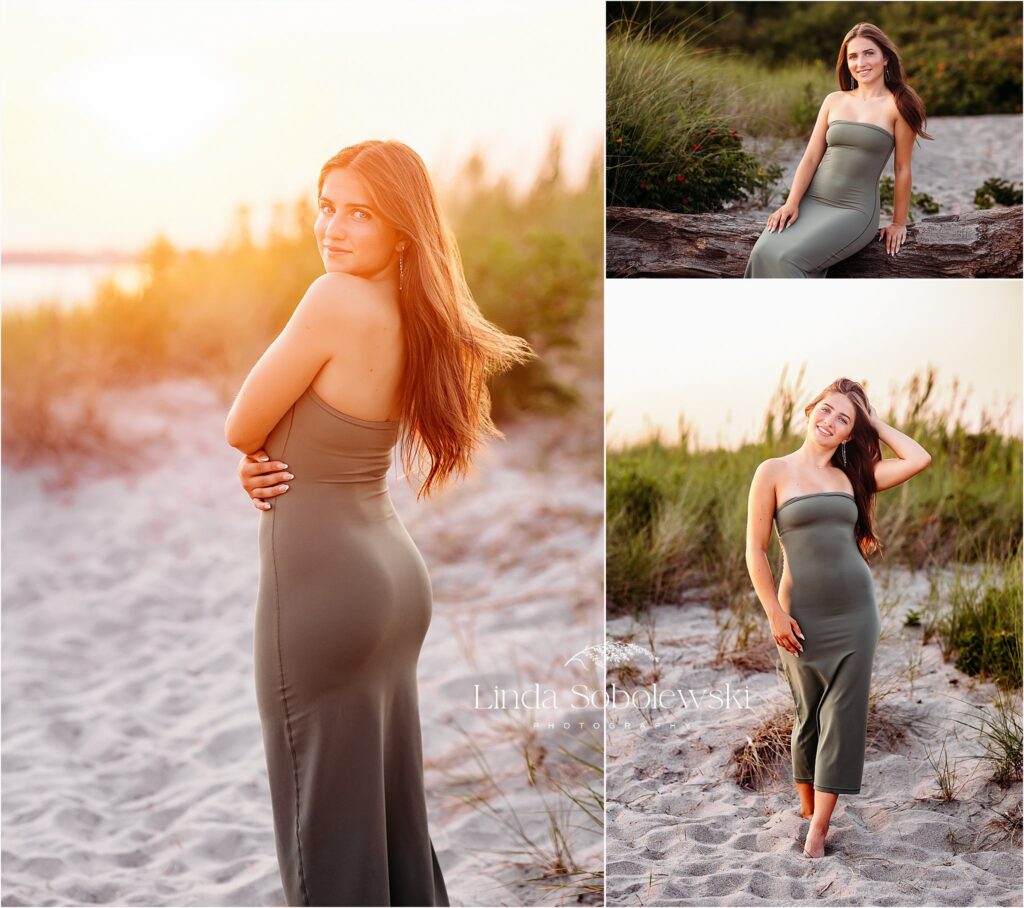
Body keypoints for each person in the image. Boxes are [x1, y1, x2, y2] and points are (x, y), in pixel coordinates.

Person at [224, 139, 533, 905]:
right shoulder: (416, 311)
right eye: (325, 208)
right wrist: (267, 449)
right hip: (391, 577)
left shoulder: (334, 299)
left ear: (400, 228)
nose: (333, 228)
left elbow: (241, 422)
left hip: (328, 587)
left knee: (323, 829)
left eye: (358, 213)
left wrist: (252, 452)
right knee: (388, 817)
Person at [744, 378, 931, 858]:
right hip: (799, 612)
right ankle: (807, 810)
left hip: (856, 611)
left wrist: (871, 422)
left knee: (844, 714)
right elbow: (755, 552)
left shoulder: (855, 475)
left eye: (843, 419)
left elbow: (918, 458)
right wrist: (774, 615)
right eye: (825, 411)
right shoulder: (773, 471)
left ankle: (819, 829)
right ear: (810, 411)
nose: (830, 422)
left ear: (851, 432)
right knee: (808, 714)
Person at [743, 23, 932, 278]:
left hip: (853, 210)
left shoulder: (898, 106)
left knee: (789, 259)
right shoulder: (834, 100)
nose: (860, 62)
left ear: (885, 58)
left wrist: (899, 223)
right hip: (812, 200)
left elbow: (902, 168)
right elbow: (810, 158)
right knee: (761, 254)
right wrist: (792, 202)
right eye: (853, 56)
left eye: (869, 53)